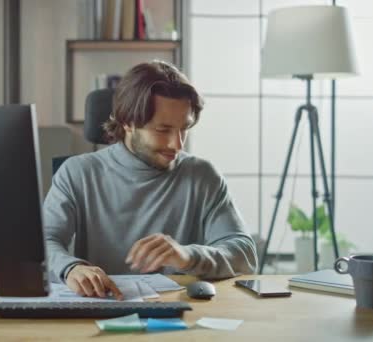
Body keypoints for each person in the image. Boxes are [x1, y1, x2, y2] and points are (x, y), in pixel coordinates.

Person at [43, 60, 257, 299]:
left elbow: (245, 254)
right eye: (163, 130)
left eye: (184, 128)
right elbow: (44, 242)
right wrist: (71, 268)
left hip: (181, 315)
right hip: (101, 307)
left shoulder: (202, 176)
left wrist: (188, 256)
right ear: (128, 122)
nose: (177, 144)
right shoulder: (78, 173)